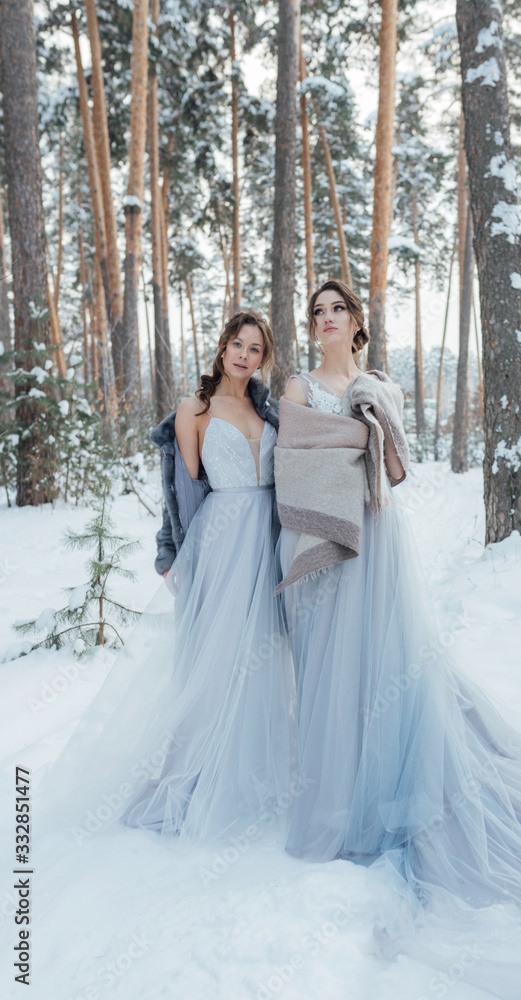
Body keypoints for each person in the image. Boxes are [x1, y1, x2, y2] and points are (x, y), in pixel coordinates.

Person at [274, 279, 521, 998]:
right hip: (326, 537)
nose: (327, 319)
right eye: (318, 312)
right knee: (335, 667)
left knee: (387, 661)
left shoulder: (378, 383)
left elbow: (394, 461)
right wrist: (351, 440)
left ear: (357, 322)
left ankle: (382, 791)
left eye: (338, 310)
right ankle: (339, 786)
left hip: (380, 535)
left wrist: (363, 436)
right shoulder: (298, 385)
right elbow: (293, 457)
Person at [40, 311, 296, 847]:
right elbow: (181, 492)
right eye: (237, 344)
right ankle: (194, 774)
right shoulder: (194, 409)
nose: (245, 355)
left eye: (255, 348)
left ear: (263, 357)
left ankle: (250, 771)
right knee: (216, 655)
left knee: (263, 656)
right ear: (222, 347)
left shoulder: (269, 410)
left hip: (268, 542)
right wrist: (172, 553)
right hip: (221, 542)